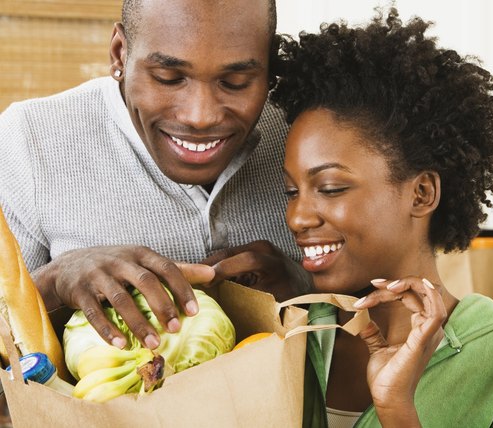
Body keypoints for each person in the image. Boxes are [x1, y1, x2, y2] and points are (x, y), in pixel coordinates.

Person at [272, 9, 493, 427]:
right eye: (292, 191)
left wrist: (397, 410)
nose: (298, 217)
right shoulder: (287, 334)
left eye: (330, 188)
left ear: (422, 192)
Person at [0, 0, 309, 352]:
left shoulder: (306, 129)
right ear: (120, 54)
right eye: (169, 78)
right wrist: (51, 284)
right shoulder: (28, 141)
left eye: (235, 82)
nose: (200, 116)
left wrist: (304, 287)